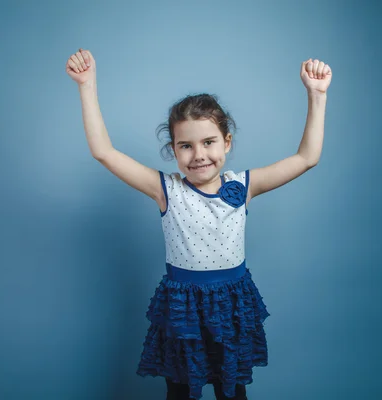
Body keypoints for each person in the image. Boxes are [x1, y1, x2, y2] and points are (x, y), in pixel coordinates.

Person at [66, 48, 332, 400]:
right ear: (174, 151)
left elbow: (307, 158)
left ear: (227, 142)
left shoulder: (244, 185)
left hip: (231, 305)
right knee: (179, 393)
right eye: (186, 146)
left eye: (208, 142)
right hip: (183, 307)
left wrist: (317, 95)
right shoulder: (166, 190)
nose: (199, 155)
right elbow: (104, 151)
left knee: (231, 393)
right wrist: (87, 85)